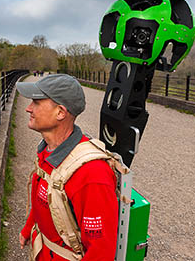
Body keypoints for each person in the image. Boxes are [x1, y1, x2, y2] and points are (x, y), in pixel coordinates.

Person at [16, 74, 118, 261]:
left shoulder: (92, 174)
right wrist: (29, 227)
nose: (28, 109)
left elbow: (101, 253)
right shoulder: (48, 150)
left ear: (61, 112)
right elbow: (45, 200)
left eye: (36, 103)